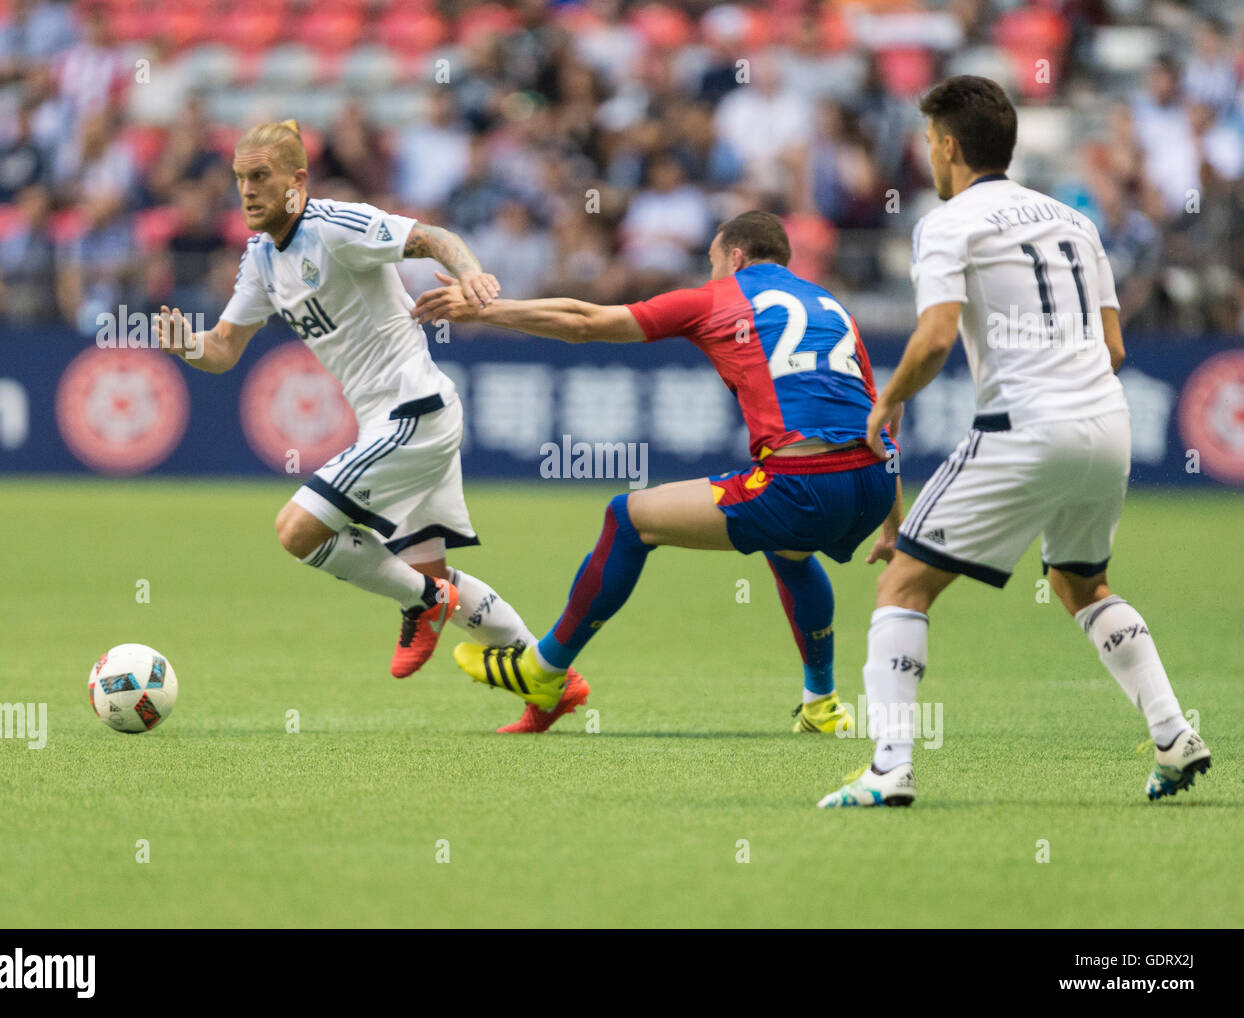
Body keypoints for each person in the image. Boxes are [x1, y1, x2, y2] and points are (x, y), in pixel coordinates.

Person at [815, 76, 1210, 808]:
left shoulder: (947, 223)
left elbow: (934, 337)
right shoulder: (1074, 219)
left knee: (902, 583)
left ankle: (889, 769)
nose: (927, 156)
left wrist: (889, 399)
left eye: (930, 143)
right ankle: (1172, 733)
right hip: (1107, 422)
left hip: (1025, 428)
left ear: (951, 147)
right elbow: (1115, 345)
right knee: (1079, 582)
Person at [152, 119, 588, 726]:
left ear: (296, 182)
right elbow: (223, 350)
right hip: (395, 420)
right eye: (240, 179)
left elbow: (434, 236)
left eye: (261, 178)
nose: (247, 191)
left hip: (414, 412)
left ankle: (427, 601)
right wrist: (187, 346)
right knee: (433, 573)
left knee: (297, 532)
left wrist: (471, 276)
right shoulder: (259, 259)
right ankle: (551, 687)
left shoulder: (334, 226)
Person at [414, 210, 898, 735]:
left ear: (734, 258)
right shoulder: (833, 307)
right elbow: (881, 414)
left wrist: (486, 312)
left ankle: (543, 667)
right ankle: (822, 705)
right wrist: (893, 522)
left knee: (628, 518)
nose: (711, 273)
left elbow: (586, 321)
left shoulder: (719, 298)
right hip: (872, 483)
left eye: (712, 261)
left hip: (801, 482)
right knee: (791, 552)